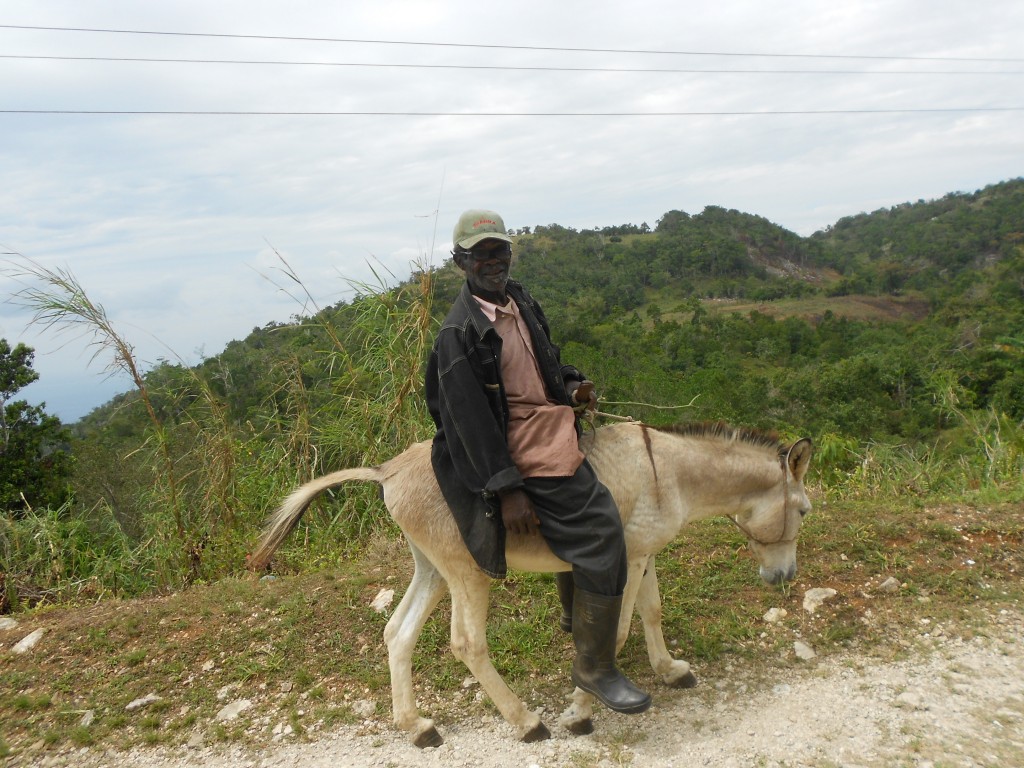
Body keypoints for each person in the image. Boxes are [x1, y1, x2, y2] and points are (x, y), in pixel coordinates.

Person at [425, 208, 651, 715]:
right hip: (518, 441)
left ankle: (577, 615)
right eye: (481, 254)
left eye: (500, 250)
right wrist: (507, 488)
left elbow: (545, 361)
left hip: (552, 423)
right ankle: (595, 667)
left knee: (593, 509)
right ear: (461, 261)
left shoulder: (519, 300)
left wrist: (571, 385)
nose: (493, 261)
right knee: (603, 530)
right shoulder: (458, 334)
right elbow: (468, 422)